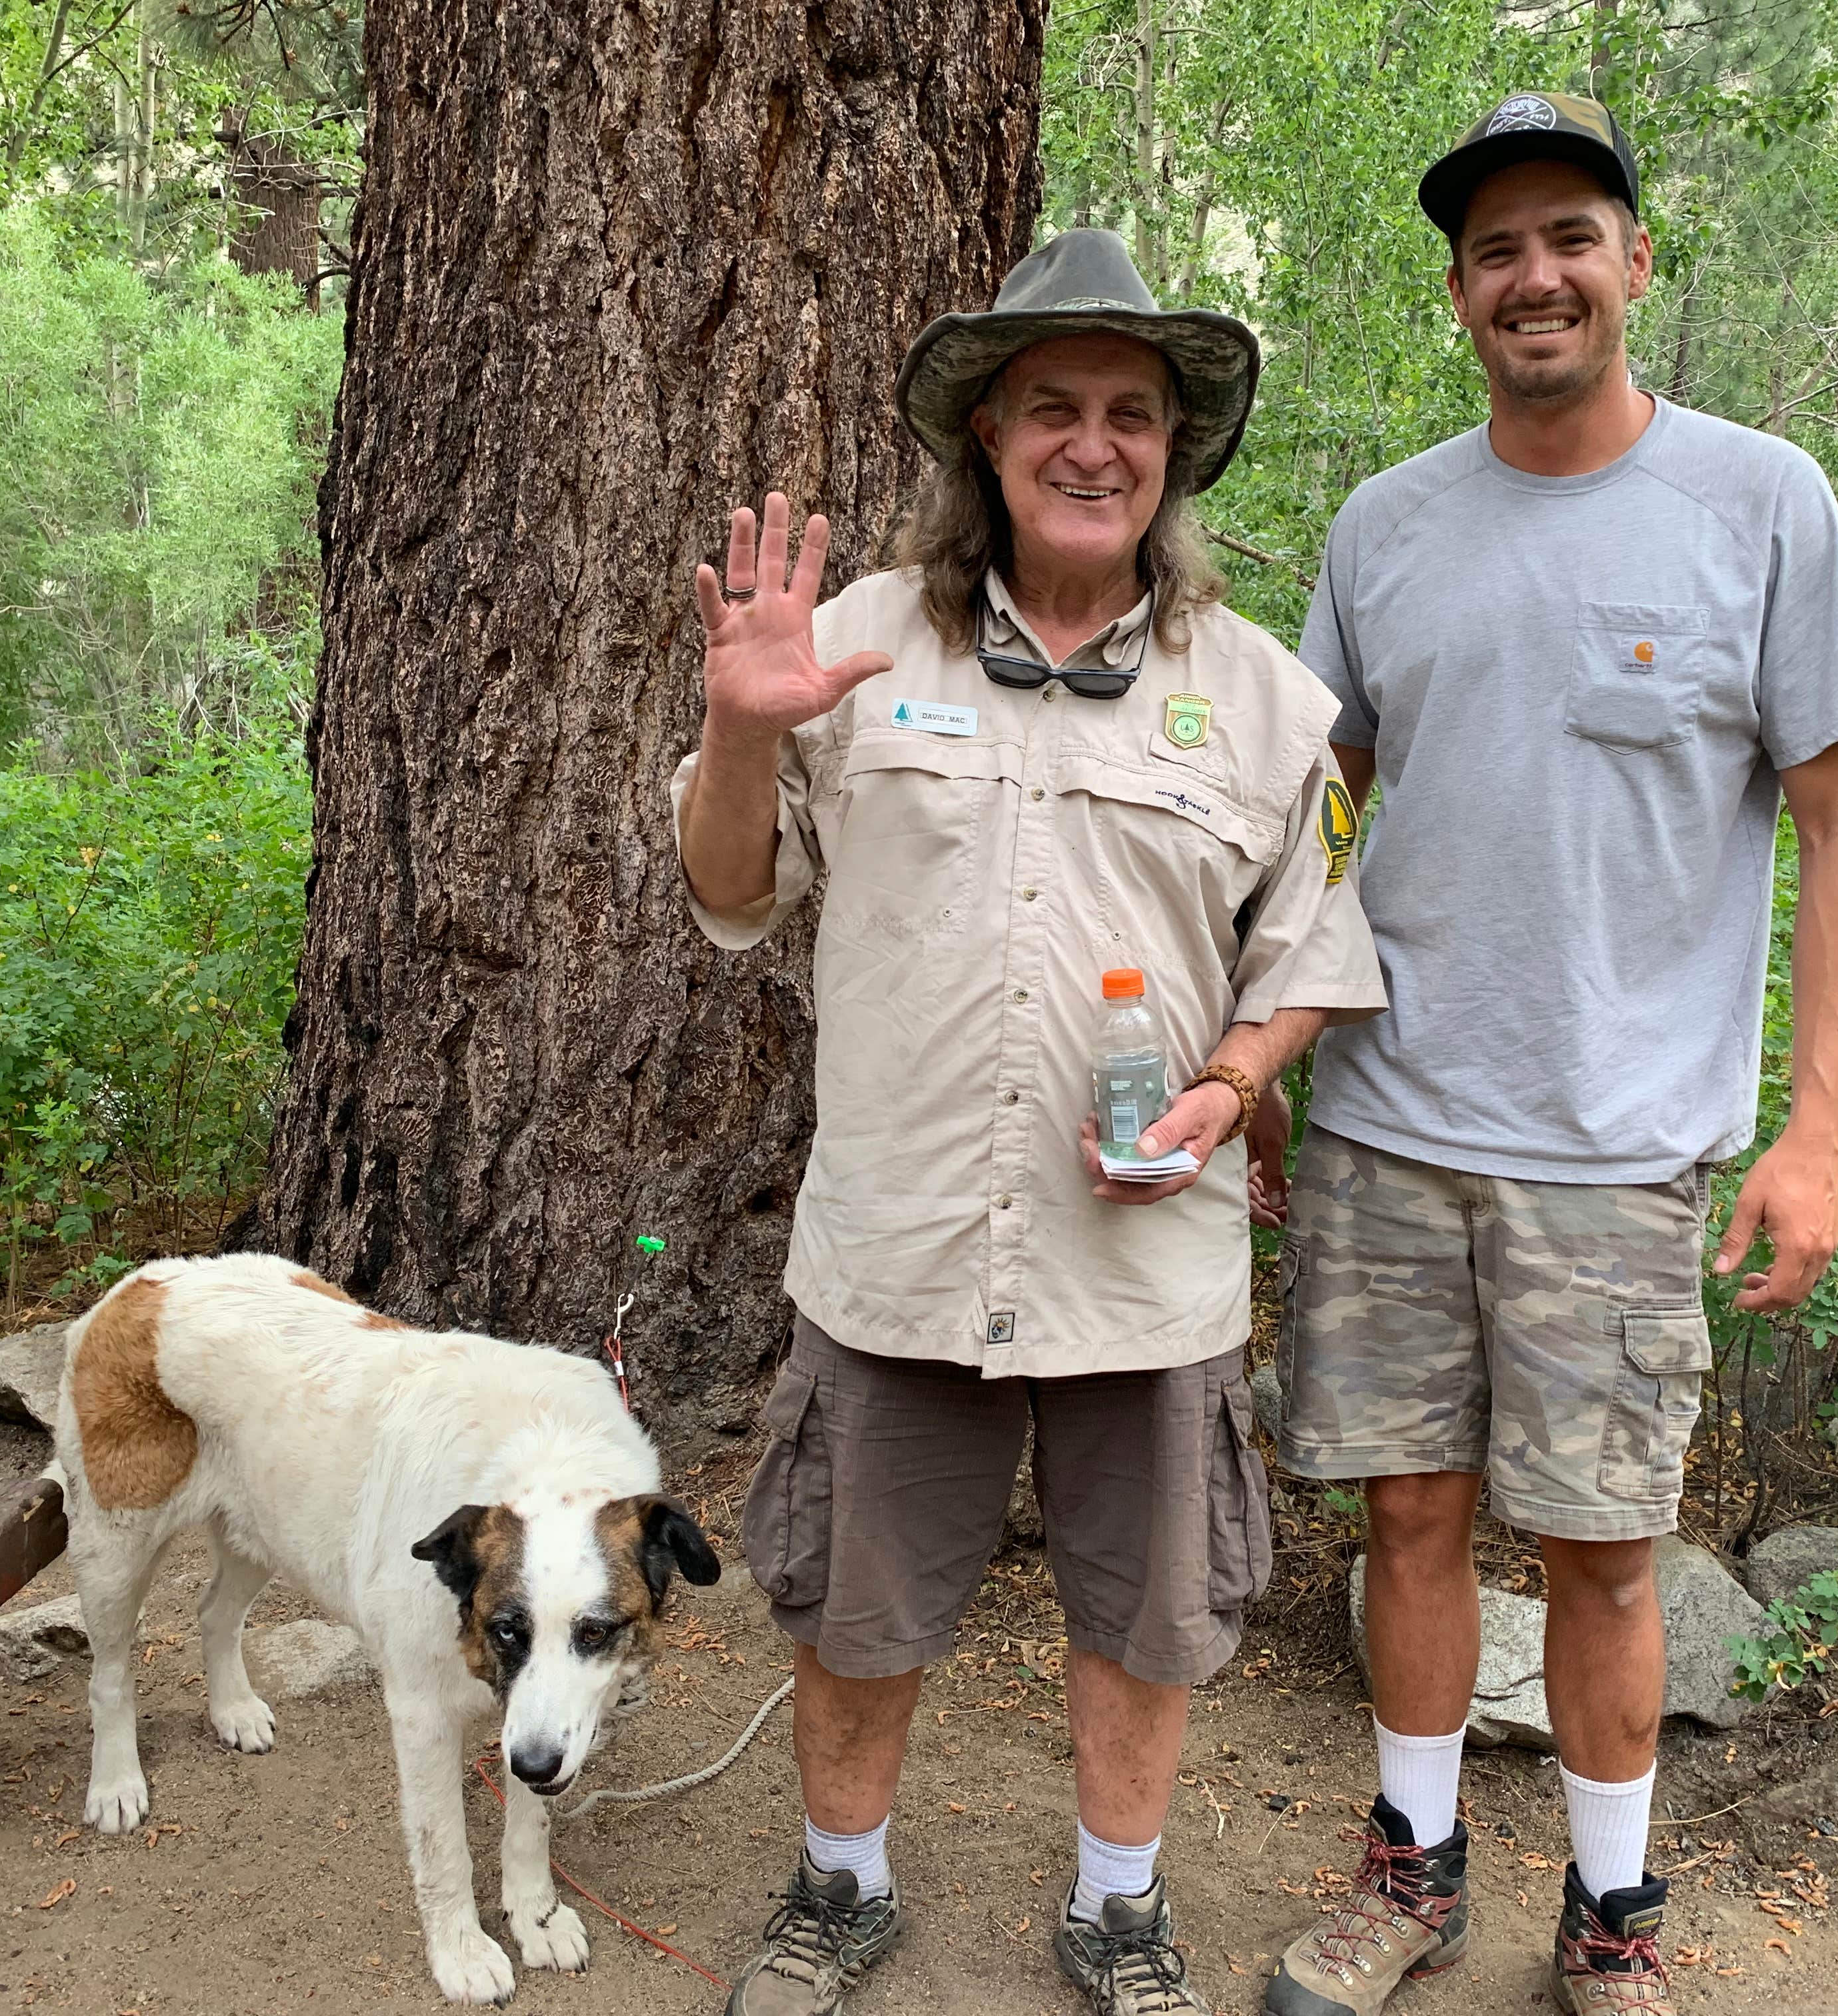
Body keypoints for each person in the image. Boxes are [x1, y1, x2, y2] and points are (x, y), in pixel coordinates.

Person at [672, 228, 1386, 2016]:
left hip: (1143, 1259)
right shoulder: (848, 645)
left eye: (1131, 412)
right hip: (900, 1241)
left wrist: (1229, 1087)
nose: (1093, 442)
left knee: (1148, 1611)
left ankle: (1119, 1908)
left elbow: (1310, 955)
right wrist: (739, 734)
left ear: (1174, 450)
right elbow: (731, 891)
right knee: (856, 1597)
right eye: (1051, 405)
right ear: (987, 438)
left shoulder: (1269, 700)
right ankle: (840, 1886)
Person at [1258, 93, 1838, 2016]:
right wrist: (1263, 1048)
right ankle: (1412, 1873)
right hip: (1389, 1121)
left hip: (1620, 1150)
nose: (1533, 276)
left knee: (1608, 1551)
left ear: (1633, 259)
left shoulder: (1759, 504)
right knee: (1406, 1516)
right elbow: (1320, 810)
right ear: (1460, 291)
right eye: (1495, 250)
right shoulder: (1386, 527)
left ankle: (1614, 1921)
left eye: (1568, 238)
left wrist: (1814, 1135)